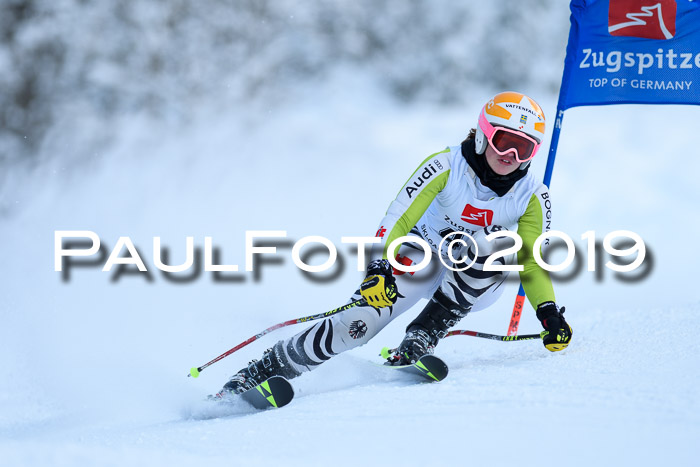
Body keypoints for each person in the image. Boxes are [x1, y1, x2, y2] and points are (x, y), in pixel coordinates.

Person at [217, 91, 572, 395]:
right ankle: (261, 372)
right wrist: (378, 268)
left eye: (524, 148)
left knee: (498, 244)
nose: (511, 155)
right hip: (422, 256)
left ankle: (424, 335)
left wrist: (548, 313)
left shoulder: (533, 196)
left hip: (475, 280)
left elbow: (530, 261)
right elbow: (398, 219)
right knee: (356, 326)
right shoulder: (445, 165)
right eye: (504, 141)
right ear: (483, 135)